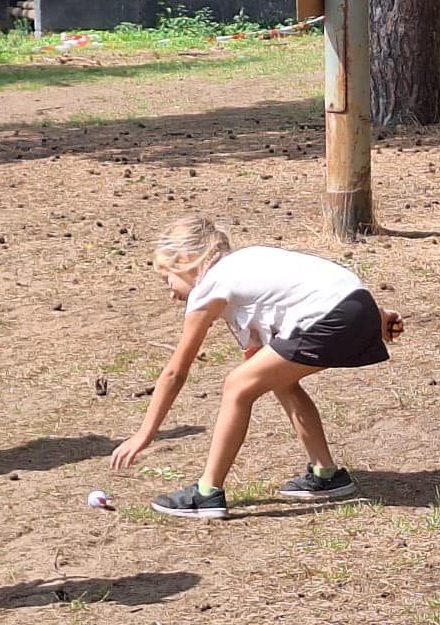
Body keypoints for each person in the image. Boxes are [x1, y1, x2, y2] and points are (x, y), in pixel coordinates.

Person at [112, 218, 403, 519]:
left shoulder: (210, 286)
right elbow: (262, 347)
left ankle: (207, 493)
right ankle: (326, 473)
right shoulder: (245, 265)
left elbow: (176, 371)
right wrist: (377, 317)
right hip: (359, 304)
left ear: (186, 260)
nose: (171, 294)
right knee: (276, 380)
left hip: (331, 315)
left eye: (168, 280)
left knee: (236, 386)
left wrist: (145, 433)